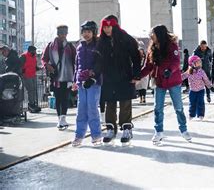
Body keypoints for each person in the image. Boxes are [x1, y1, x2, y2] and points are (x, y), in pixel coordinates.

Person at [139, 25, 192, 145]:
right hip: (159, 82)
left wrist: (170, 70)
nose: (151, 36)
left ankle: (183, 130)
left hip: (173, 81)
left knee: (178, 107)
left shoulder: (171, 45)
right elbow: (148, 66)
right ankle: (158, 132)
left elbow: (176, 61)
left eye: (153, 34)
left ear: (159, 34)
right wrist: (138, 76)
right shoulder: (152, 48)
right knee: (157, 108)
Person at [96, 15, 141, 145]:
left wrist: (136, 74)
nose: (106, 29)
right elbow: (97, 60)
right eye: (104, 27)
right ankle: (110, 128)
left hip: (124, 75)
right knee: (110, 103)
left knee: (125, 102)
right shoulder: (101, 41)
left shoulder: (126, 38)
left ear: (114, 26)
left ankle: (126, 128)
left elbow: (136, 57)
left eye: (109, 26)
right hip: (108, 77)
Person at [71, 21, 102, 147]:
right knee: (81, 110)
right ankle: (79, 136)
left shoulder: (98, 46)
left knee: (92, 108)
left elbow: (100, 64)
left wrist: (92, 74)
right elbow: (77, 65)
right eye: (84, 32)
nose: (86, 34)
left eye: (89, 32)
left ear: (94, 32)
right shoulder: (79, 47)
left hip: (93, 82)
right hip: (81, 82)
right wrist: (75, 80)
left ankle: (96, 135)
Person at [42, 25, 76, 131]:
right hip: (55, 76)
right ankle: (59, 119)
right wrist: (48, 66)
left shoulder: (70, 46)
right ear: (57, 34)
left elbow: (76, 60)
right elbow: (44, 59)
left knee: (65, 98)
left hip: (67, 76)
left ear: (67, 34)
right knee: (58, 98)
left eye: (65, 33)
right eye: (61, 33)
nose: (63, 35)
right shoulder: (50, 46)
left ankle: (63, 118)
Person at [182, 55, 214, 120]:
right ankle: (191, 114)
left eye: (200, 62)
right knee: (192, 103)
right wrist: (175, 79)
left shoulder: (201, 71)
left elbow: (206, 80)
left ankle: (200, 115)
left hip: (201, 90)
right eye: (198, 62)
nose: (200, 63)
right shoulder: (189, 71)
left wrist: (210, 87)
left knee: (200, 102)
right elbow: (183, 76)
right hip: (192, 91)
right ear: (193, 64)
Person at [20, 45, 41, 113]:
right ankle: (31, 105)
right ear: (30, 51)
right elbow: (19, 65)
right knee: (30, 90)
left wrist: (39, 68)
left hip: (33, 75)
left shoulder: (34, 57)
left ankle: (33, 104)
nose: (35, 52)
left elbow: (34, 66)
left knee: (34, 90)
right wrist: (22, 72)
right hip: (26, 76)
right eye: (34, 51)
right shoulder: (24, 56)